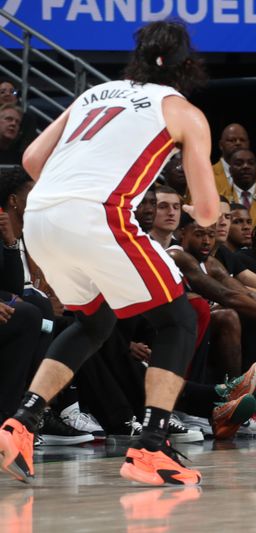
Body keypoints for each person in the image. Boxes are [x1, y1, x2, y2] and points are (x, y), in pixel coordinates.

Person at [0, 21, 220, 486]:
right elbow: (203, 212)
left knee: (94, 321)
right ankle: (151, 447)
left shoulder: (94, 94)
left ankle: (21, 421)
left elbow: (32, 161)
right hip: (98, 215)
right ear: (187, 64)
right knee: (177, 319)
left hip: (40, 216)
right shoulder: (183, 112)